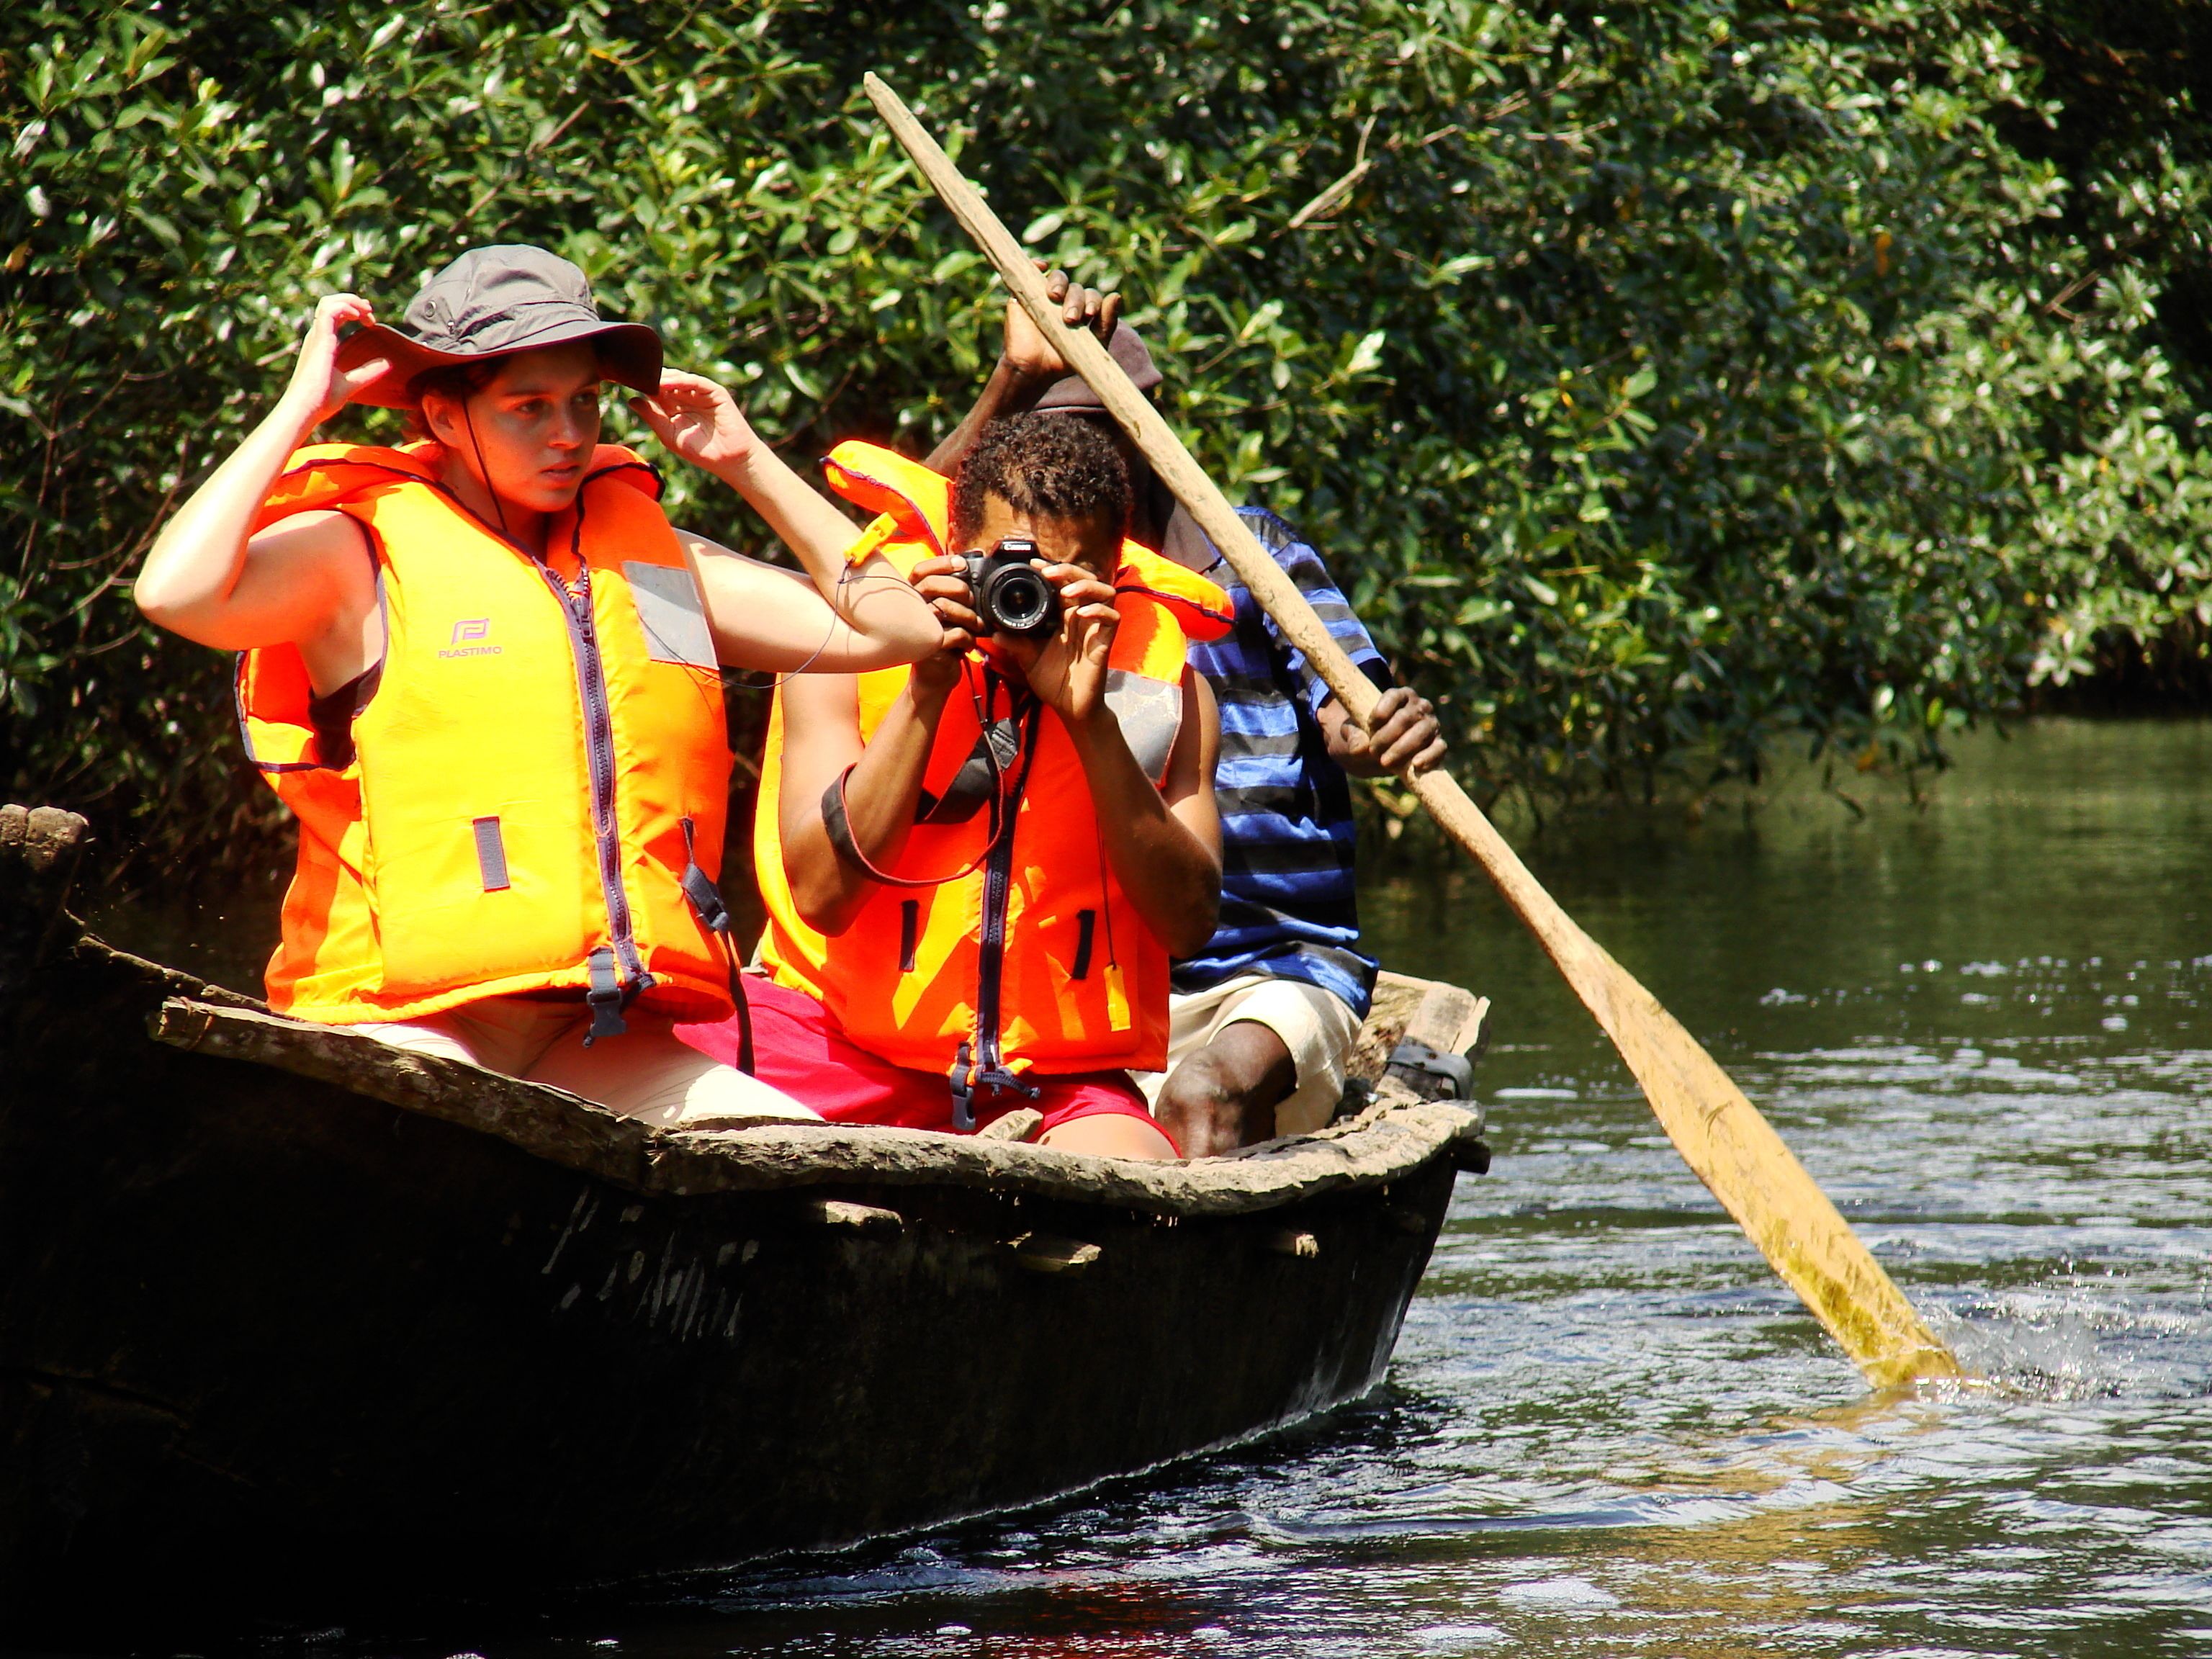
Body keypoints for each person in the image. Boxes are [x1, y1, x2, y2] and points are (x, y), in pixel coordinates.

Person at [133, 246, 942, 1126]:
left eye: (585, 402)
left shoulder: (655, 575)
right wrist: (303, 409)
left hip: (592, 1034)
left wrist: (746, 463)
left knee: (793, 1153)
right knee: (427, 1132)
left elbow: (896, 630)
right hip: (402, 1020)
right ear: (443, 416)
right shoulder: (353, 557)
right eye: (529, 408)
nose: (568, 434)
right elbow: (175, 594)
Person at [930, 292, 1446, 1156]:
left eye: (1106, 438)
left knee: (1201, 1096)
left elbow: (1350, 714)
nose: (1085, 468)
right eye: (1059, 443)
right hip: (1088, 974)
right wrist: (1012, 377)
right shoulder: (1001, 590)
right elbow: (889, 534)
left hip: (1274, 959)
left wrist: (1386, 726)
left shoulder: (1251, 555)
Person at [678, 413, 1233, 1160]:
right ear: (956, 554)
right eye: (1013, 572)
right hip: (830, 1039)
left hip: (1057, 1081)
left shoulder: (1170, 693)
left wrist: (1090, 720)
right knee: (680, 1119)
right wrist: (926, 689)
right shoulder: (844, 646)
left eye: (1071, 579)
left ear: (1116, 575)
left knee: (1144, 1187)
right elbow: (821, 895)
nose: (1032, 604)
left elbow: (1189, 925)